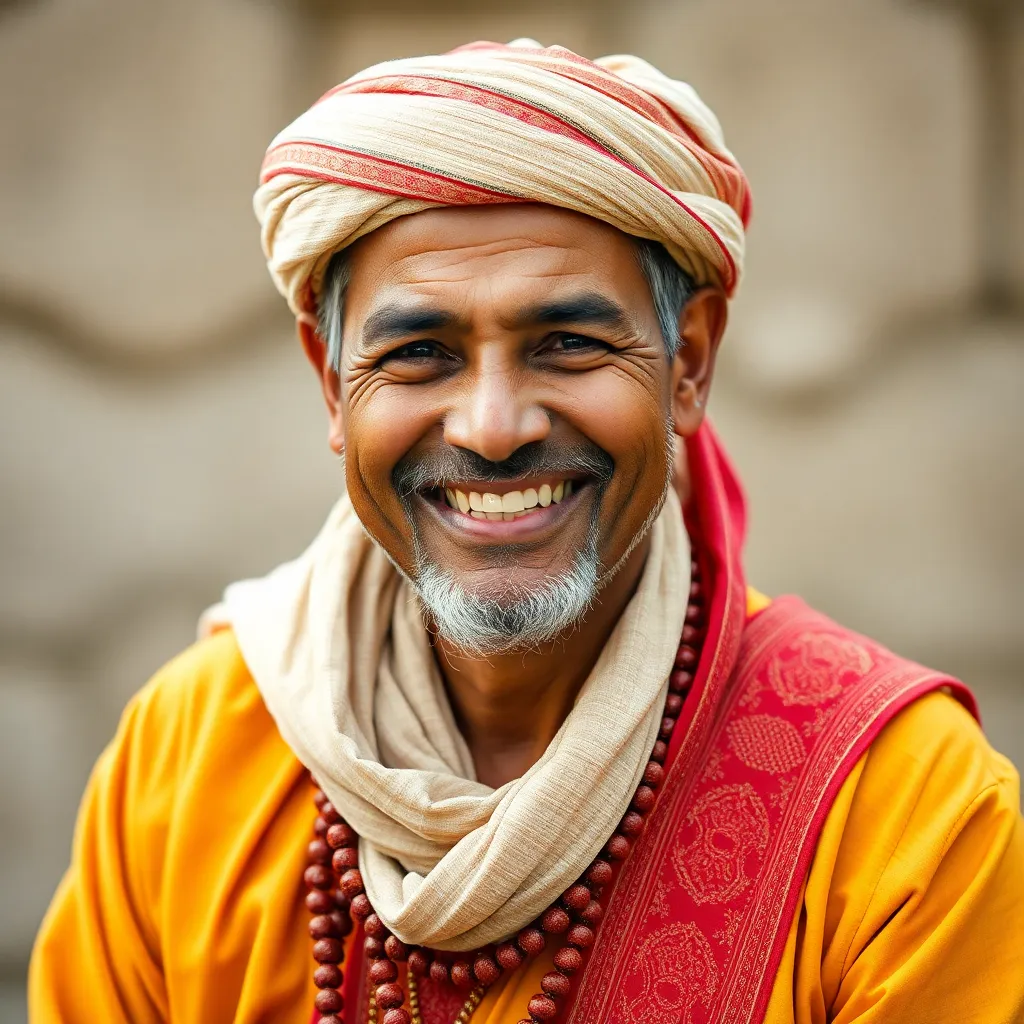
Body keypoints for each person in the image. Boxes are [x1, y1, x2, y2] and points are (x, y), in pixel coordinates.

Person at [29, 39, 1024, 1024]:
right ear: (332, 383)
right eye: (419, 353)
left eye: (567, 344)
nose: (494, 426)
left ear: (688, 363)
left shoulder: (906, 815)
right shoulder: (186, 759)